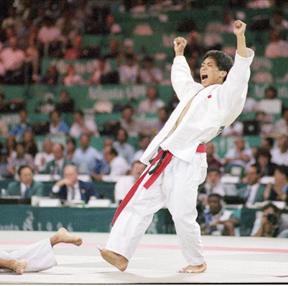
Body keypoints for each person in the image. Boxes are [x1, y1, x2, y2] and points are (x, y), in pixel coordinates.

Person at [100, 20, 254, 273]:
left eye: (209, 66)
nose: (203, 68)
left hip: (187, 160)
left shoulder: (226, 98)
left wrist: (240, 37)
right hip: (165, 158)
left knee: (182, 215)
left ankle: (197, 261)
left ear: (223, 73)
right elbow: (180, 79)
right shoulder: (194, 92)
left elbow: (240, 74)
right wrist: (180, 56)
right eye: (202, 65)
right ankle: (119, 252)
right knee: (139, 202)